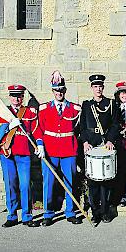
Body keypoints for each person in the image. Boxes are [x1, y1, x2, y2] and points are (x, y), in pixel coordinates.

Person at [36, 71, 82, 226]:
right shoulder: (43, 109)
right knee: (48, 182)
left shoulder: (75, 109)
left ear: (65, 91)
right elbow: (38, 129)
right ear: (53, 91)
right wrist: (40, 145)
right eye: (56, 90)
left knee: (69, 182)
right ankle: (48, 213)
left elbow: (78, 129)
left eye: (62, 90)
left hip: (68, 150)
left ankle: (70, 212)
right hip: (50, 150)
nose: (59, 93)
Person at [79, 74, 121, 224]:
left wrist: (110, 140)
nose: (98, 89)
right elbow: (82, 127)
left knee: (106, 180)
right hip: (91, 145)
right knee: (92, 181)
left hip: (105, 145)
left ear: (103, 87)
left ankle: (105, 211)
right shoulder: (86, 105)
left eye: (100, 86)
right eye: (95, 86)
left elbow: (116, 124)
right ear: (91, 88)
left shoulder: (110, 104)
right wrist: (84, 142)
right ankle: (94, 210)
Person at [0, 85, 40, 228]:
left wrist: (39, 144)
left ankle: (27, 215)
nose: (17, 99)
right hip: (7, 152)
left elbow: (36, 130)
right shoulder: (3, 112)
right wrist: (7, 127)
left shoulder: (28, 112)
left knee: (25, 184)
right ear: (9, 96)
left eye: (20, 96)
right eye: (14, 96)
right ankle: (12, 215)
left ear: (23, 97)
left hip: (24, 153)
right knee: (10, 184)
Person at [113, 81, 126, 206]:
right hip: (119, 142)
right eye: (122, 93)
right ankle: (119, 195)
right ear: (118, 95)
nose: (125, 96)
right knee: (119, 169)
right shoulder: (114, 107)